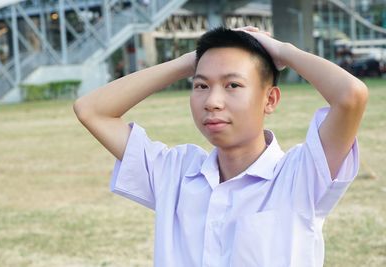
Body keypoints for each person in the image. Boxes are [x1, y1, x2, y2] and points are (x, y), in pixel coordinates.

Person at [73, 26, 368, 266]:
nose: (212, 101)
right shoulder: (175, 173)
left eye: (233, 85)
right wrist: (192, 60)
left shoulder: (301, 176)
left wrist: (282, 51)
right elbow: (91, 110)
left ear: (270, 100)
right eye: (201, 85)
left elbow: (351, 95)